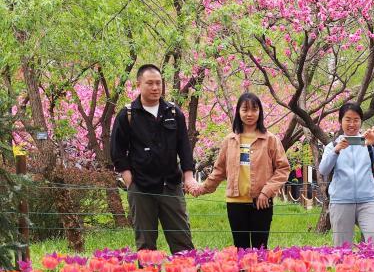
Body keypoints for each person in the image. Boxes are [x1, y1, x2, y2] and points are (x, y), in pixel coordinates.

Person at [110, 64, 198, 252]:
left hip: (170, 186)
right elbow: (117, 150)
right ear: (139, 84)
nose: (155, 88)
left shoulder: (173, 113)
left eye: (158, 83)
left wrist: (188, 176)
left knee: (182, 242)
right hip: (141, 187)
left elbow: (184, 148)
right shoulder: (128, 115)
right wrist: (128, 179)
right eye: (149, 83)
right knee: (145, 244)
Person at [195, 92, 290, 249]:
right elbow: (219, 171)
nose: (250, 114)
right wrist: (201, 188)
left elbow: (283, 169)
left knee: (260, 249)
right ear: (238, 112)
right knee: (241, 250)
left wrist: (266, 192)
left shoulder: (270, 140)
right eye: (245, 109)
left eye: (254, 109)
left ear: (260, 112)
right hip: (235, 203)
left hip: (262, 202)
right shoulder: (229, 140)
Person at [319, 102, 374, 246]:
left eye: (356, 120)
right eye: (348, 119)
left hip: (367, 201)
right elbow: (323, 170)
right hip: (341, 202)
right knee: (343, 250)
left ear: (361, 122)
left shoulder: (368, 145)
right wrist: (336, 151)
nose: (352, 124)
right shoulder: (332, 146)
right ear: (340, 121)